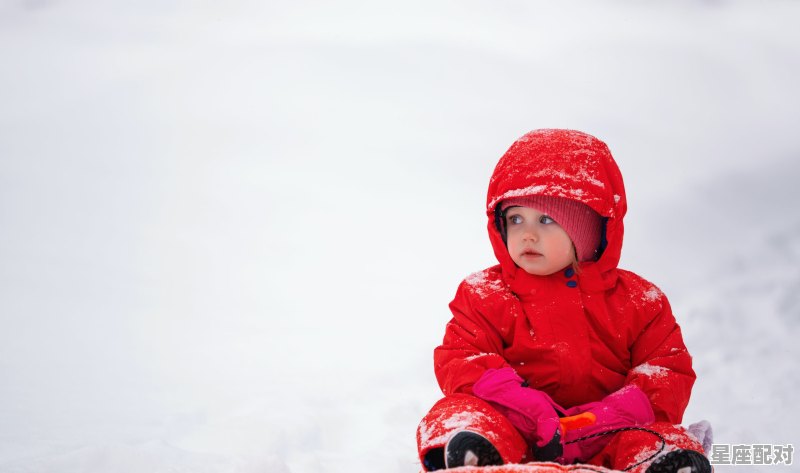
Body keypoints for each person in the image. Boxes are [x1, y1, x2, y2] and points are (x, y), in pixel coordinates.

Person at [416, 129, 712, 473]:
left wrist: (613, 414)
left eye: (546, 219)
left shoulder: (640, 301)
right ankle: (475, 457)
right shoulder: (483, 294)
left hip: (611, 432)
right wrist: (525, 406)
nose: (527, 233)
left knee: (658, 434)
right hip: (519, 431)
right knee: (456, 412)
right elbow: (464, 358)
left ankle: (660, 464)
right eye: (515, 218)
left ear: (589, 230)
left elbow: (667, 370)